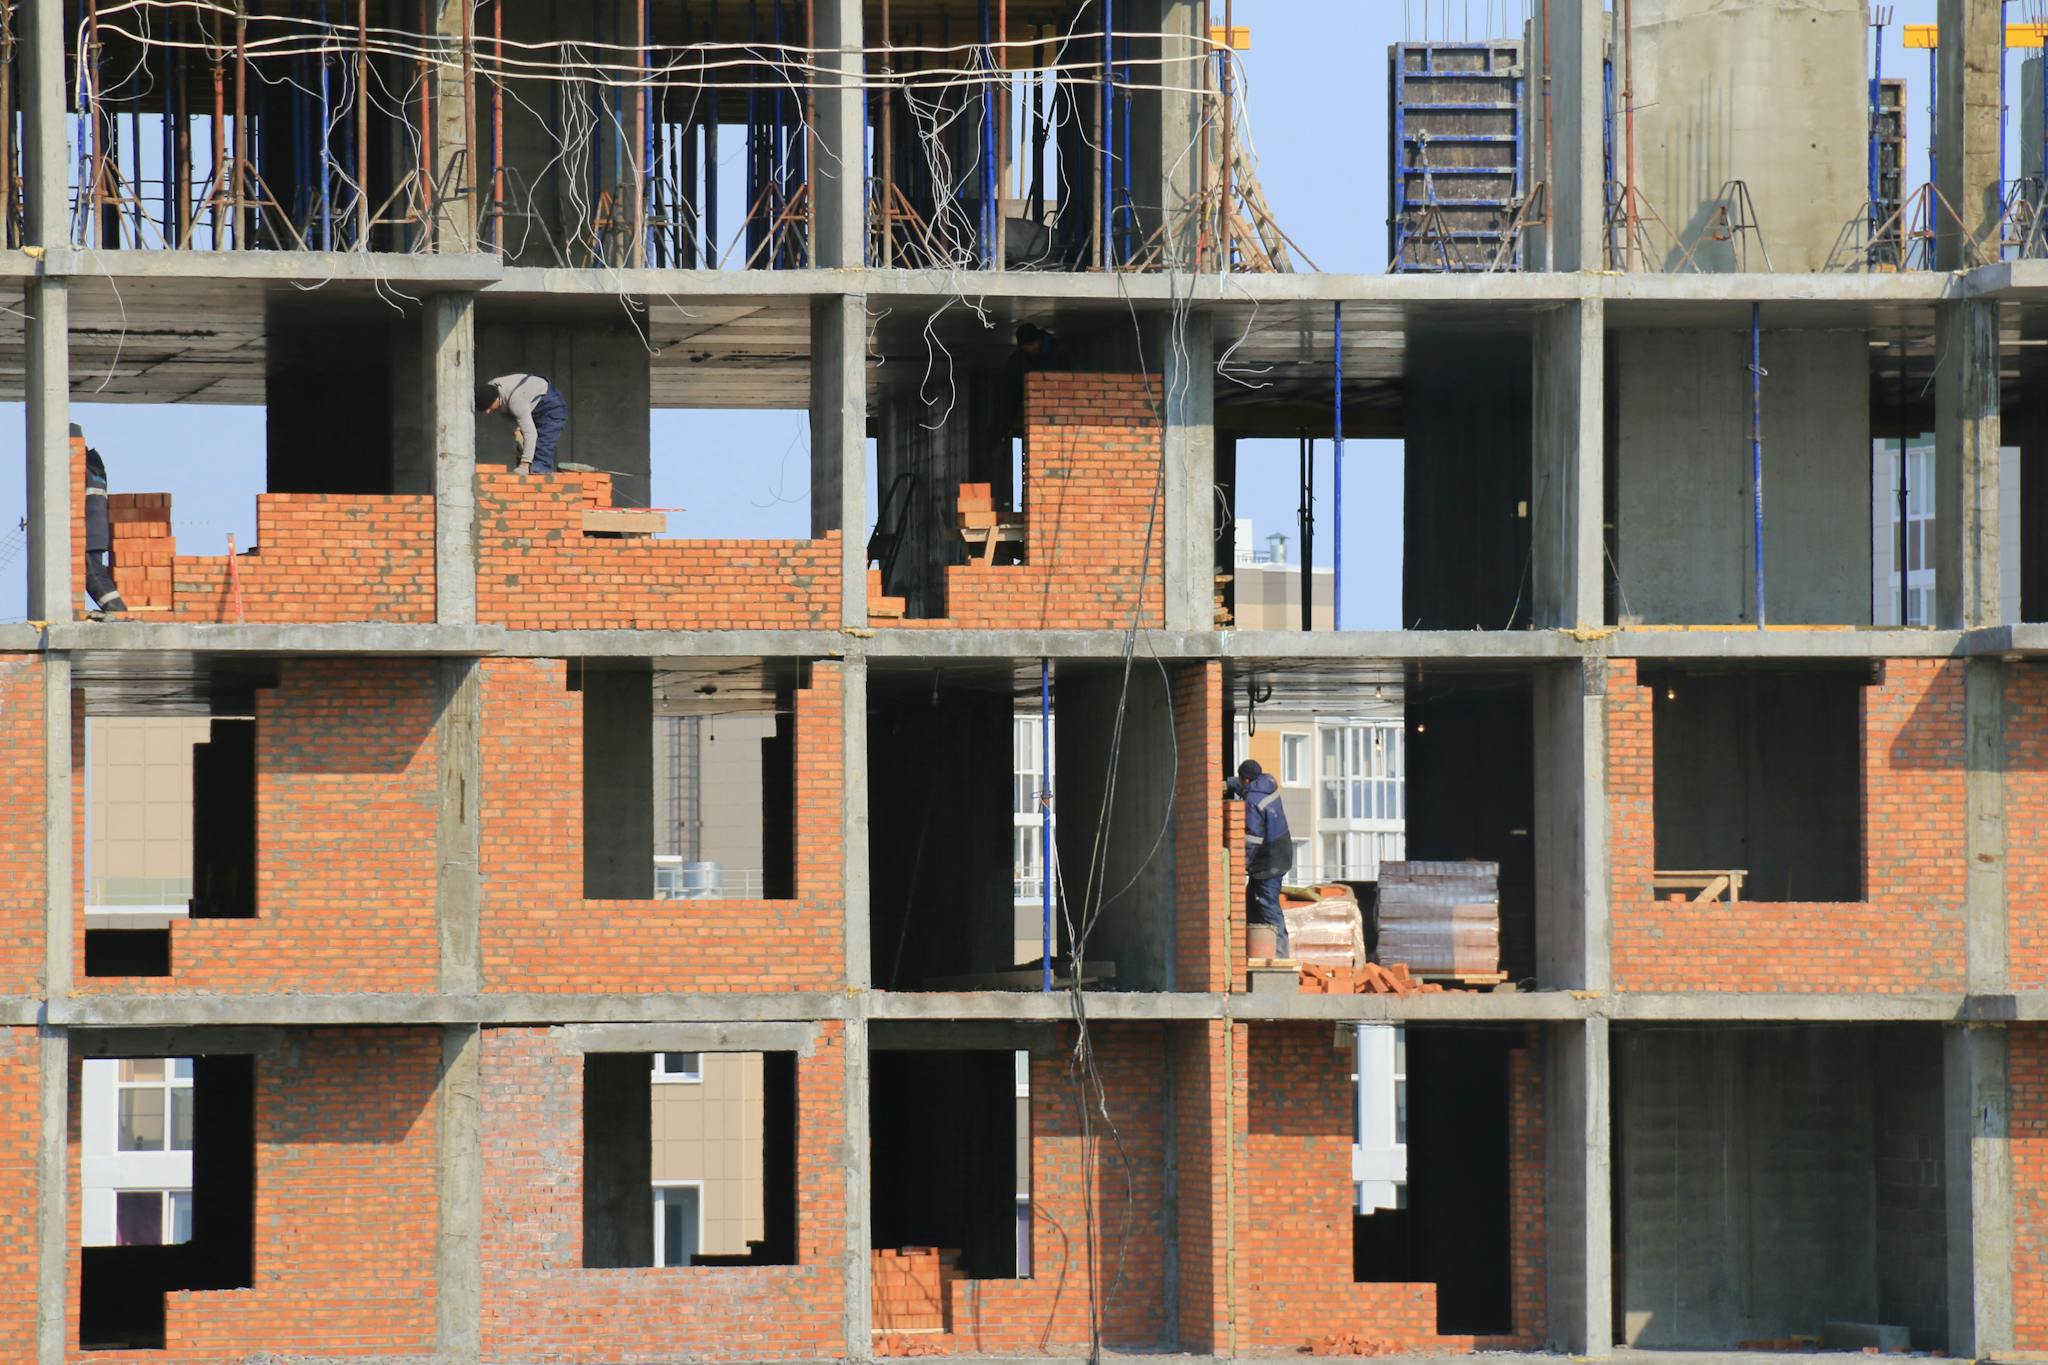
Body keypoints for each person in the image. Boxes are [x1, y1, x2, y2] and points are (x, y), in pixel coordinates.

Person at [1226, 758, 1293, 957]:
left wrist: (1241, 864)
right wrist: (1227, 783)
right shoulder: (1264, 785)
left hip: (1269, 860)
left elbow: (1253, 838)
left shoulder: (1252, 802)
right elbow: (1241, 785)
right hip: (1279, 853)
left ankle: (1280, 955)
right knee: (1252, 902)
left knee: (1266, 903)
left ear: (1246, 779)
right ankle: (1255, 952)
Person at [476, 373, 568, 475]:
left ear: (497, 399)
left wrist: (524, 464)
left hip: (551, 404)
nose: (488, 412)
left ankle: (540, 477)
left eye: (489, 407)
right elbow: (513, 415)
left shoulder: (516, 401)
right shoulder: (490, 388)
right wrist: (518, 432)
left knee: (542, 451)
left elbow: (531, 434)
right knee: (523, 447)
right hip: (529, 401)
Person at [80, 431, 129, 615]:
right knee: (97, 572)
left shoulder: (82, 472)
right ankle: (117, 609)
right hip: (98, 532)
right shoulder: (96, 469)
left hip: (90, 534)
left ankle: (116, 609)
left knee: (93, 575)